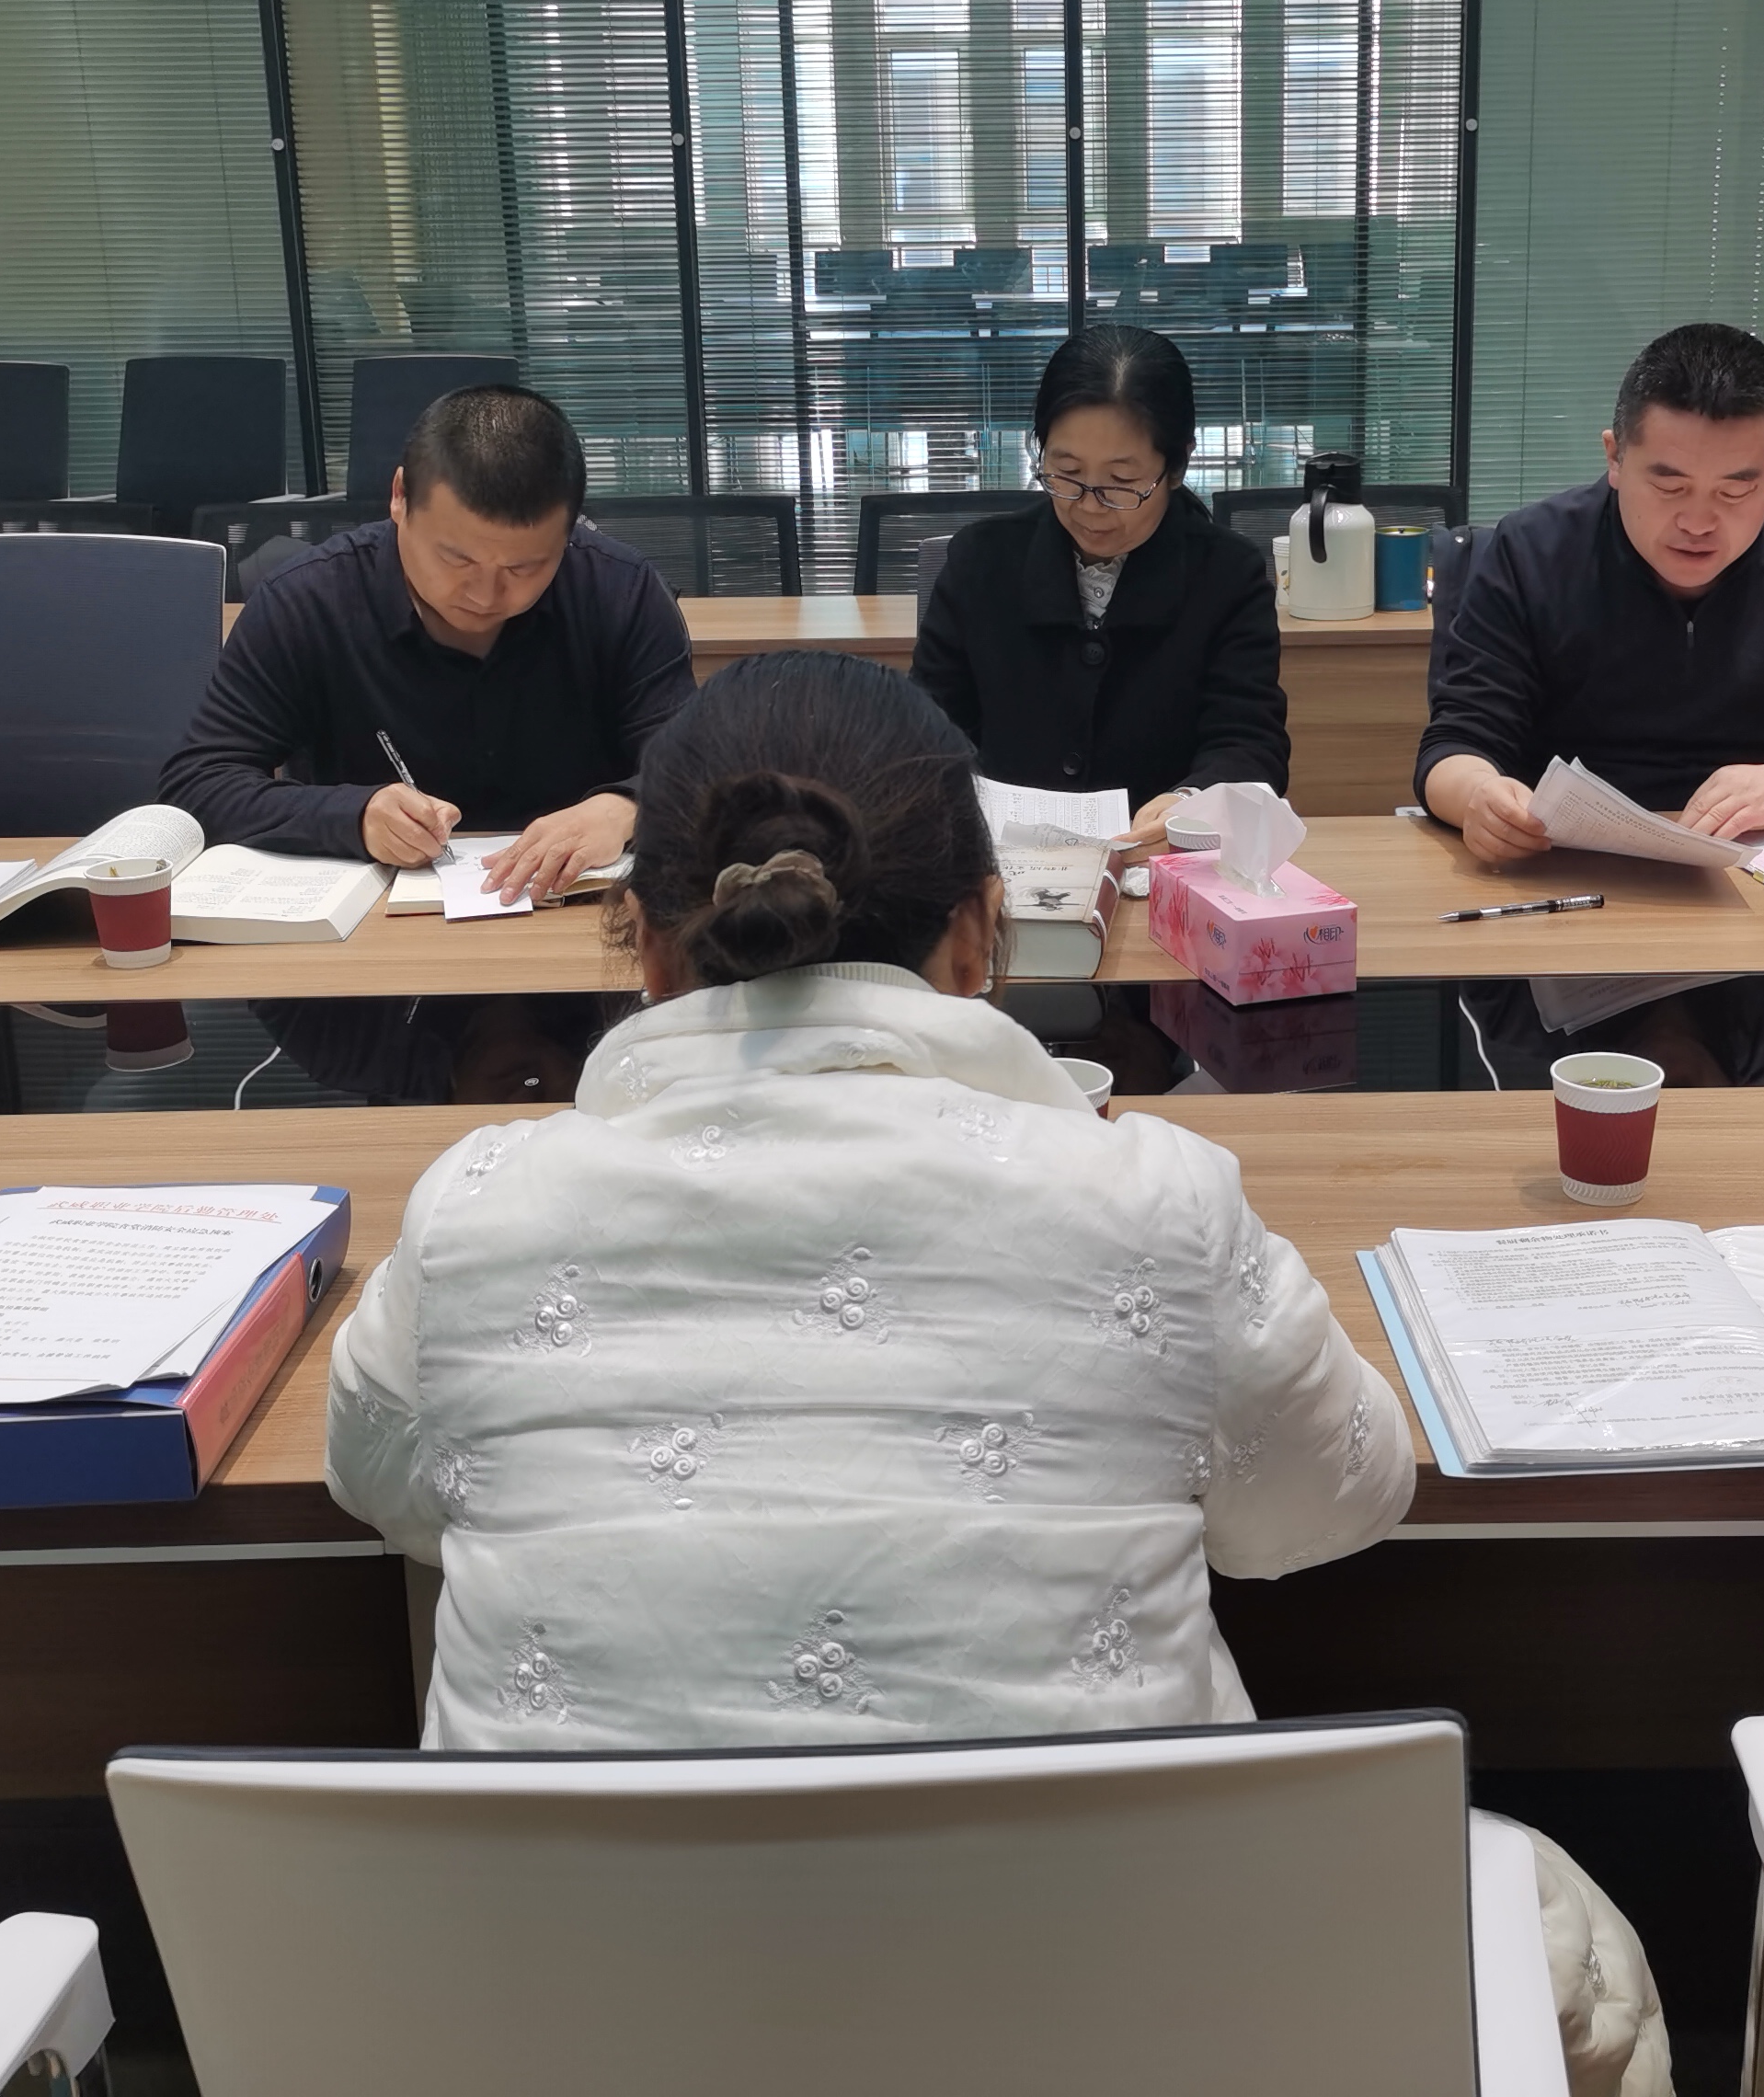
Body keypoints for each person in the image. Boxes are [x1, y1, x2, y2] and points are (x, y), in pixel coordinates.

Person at [323, 649, 1673, 2097]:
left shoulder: (475, 1210)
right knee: (1555, 1920)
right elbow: (1334, 1504)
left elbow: (387, 1488)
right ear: (981, 937)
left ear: (646, 953)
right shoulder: (1153, 1201)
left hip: (574, 2026)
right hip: (1126, 2026)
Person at [160, 384, 693, 903]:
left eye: (523, 567)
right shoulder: (308, 602)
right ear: (400, 496)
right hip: (365, 931)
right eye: (456, 558)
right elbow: (197, 785)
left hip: (574, 913)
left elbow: (706, 767)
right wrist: (353, 817)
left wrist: (627, 807)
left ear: (569, 532)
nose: (485, 595)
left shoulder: (620, 593)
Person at [1417, 323, 1764, 855]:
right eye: (1669, 486)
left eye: (1735, 491)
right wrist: (1479, 796)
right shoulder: (1531, 551)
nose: (1698, 522)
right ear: (1615, 457)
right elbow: (1455, 746)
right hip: (1573, 863)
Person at [911, 326, 1288, 839]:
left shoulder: (1228, 574)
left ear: (1177, 465)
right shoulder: (981, 561)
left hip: (1158, 861)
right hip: (1003, 861)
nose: (1090, 507)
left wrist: (1190, 804)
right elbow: (925, 731)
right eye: (1066, 473)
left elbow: (1249, 743)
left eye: (1122, 483)